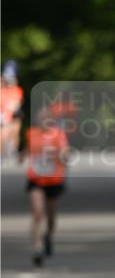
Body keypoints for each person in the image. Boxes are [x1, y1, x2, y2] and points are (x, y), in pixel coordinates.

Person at [20, 106, 69, 266]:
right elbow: (26, 151)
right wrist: (22, 156)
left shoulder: (58, 135)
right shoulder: (31, 134)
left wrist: (63, 155)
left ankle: (48, 236)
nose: (43, 121)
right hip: (36, 179)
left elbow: (64, 152)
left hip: (54, 180)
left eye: (46, 117)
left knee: (51, 217)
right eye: (40, 118)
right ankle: (37, 248)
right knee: (37, 213)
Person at [0, 60, 24, 164]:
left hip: (14, 112)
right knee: (3, 133)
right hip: (4, 113)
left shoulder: (17, 90)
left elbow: (17, 102)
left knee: (15, 132)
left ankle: (12, 151)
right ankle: (2, 153)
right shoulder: (2, 89)